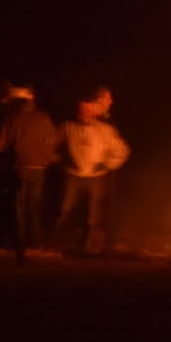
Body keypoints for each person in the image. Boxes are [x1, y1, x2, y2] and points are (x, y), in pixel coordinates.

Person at [56, 87, 130, 255]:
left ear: (94, 112)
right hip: (73, 176)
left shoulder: (105, 130)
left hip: (96, 178)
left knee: (93, 215)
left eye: (88, 110)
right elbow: (53, 147)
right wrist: (64, 162)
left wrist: (106, 165)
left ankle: (87, 247)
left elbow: (122, 151)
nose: (84, 114)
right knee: (64, 210)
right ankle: (57, 243)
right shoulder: (67, 127)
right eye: (81, 110)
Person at [0, 85, 57, 263]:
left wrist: (3, 164)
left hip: (18, 168)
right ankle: (35, 242)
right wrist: (47, 159)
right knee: (34, 207)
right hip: (39, 168)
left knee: (18, 208)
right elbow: (51, 142)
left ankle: (20, 243)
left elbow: (1, 145)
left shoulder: (11, 118)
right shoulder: (44, 118)